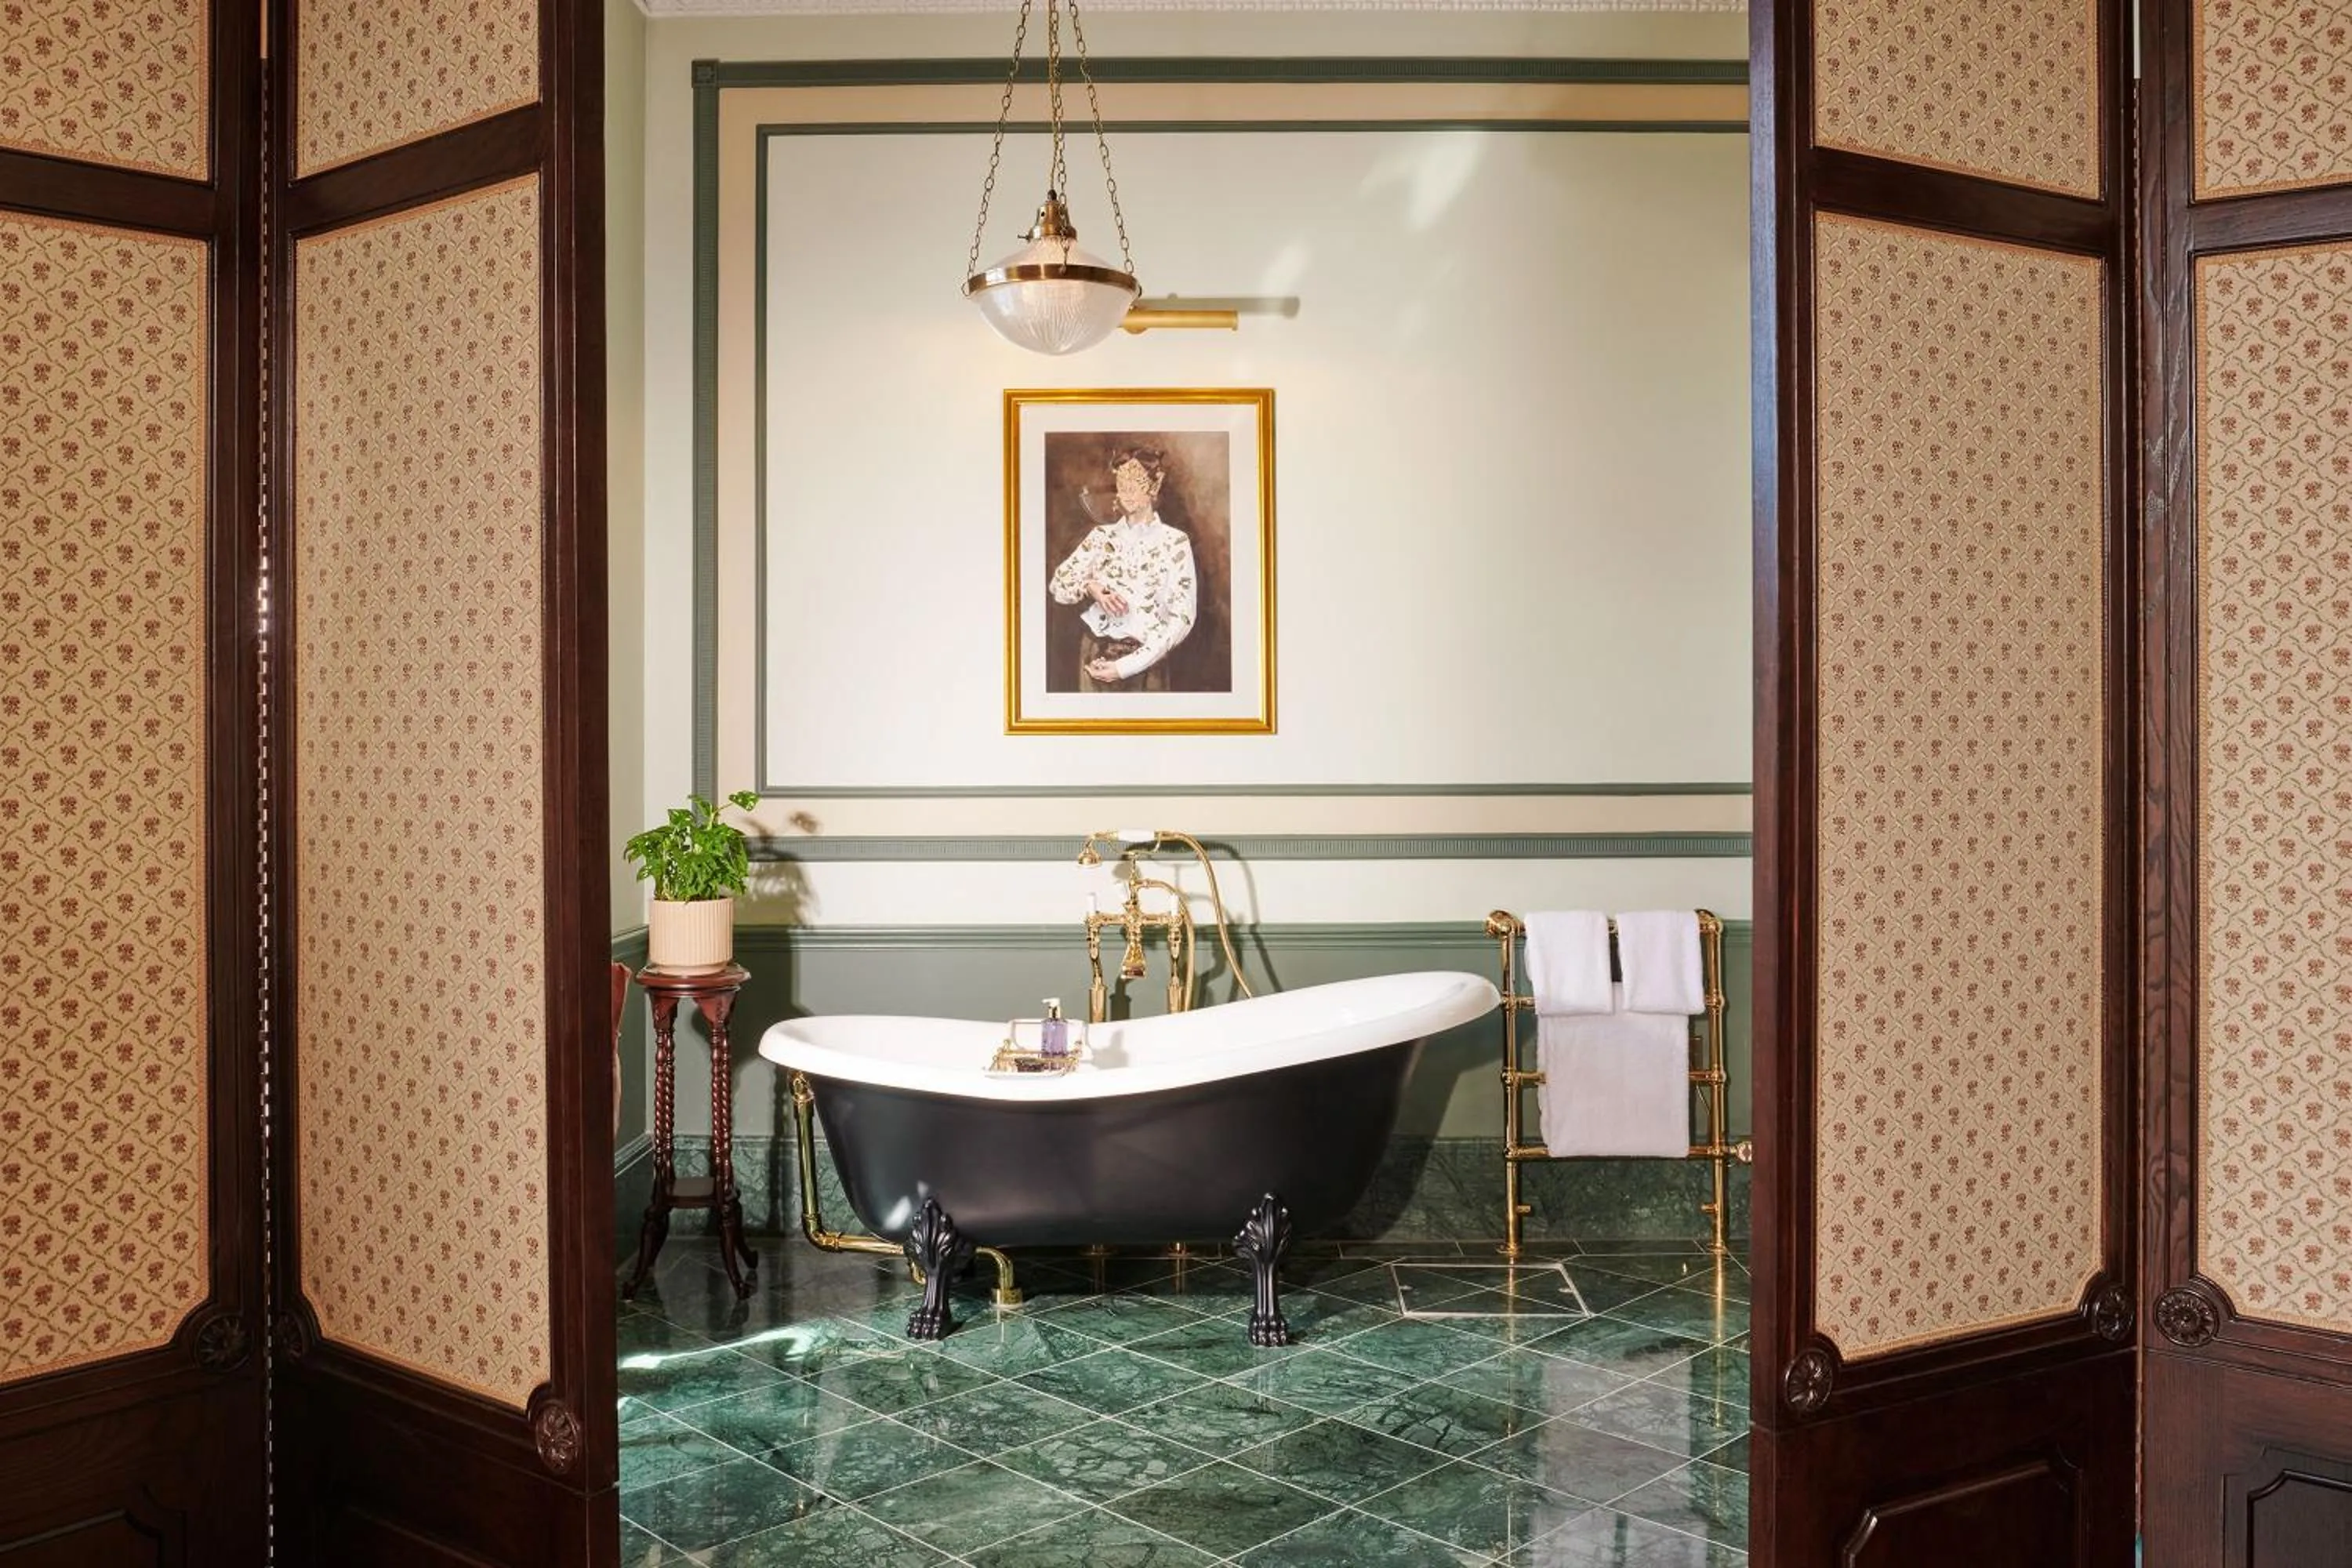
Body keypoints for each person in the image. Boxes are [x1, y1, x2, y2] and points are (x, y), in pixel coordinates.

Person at [1047, 445, 1199, 691]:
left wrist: (1126, 667)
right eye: (1122, 482)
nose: (1127, 491)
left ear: (1155, 485)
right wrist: (1091, 587)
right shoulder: (1101, 536)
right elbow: (1058, 585)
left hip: (1147, 661)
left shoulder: (1174, 541)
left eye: (1135, 483)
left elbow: (1183, 616)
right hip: (1095, 654)